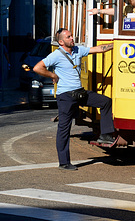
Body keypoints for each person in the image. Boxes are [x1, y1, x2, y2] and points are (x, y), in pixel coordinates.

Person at [32, 28, 115, 171]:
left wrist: (118, 43)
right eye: (69, 37)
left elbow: (99, 49)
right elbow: (37, 68)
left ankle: (105, 135)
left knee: (105, 101)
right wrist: (52, 76)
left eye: (71, 36)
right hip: (66, 96)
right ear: (61, 42)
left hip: (79, 93)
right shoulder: (56, 55)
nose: (72, 38)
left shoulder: (78, 50)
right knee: (64, 128)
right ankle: (64, 162)